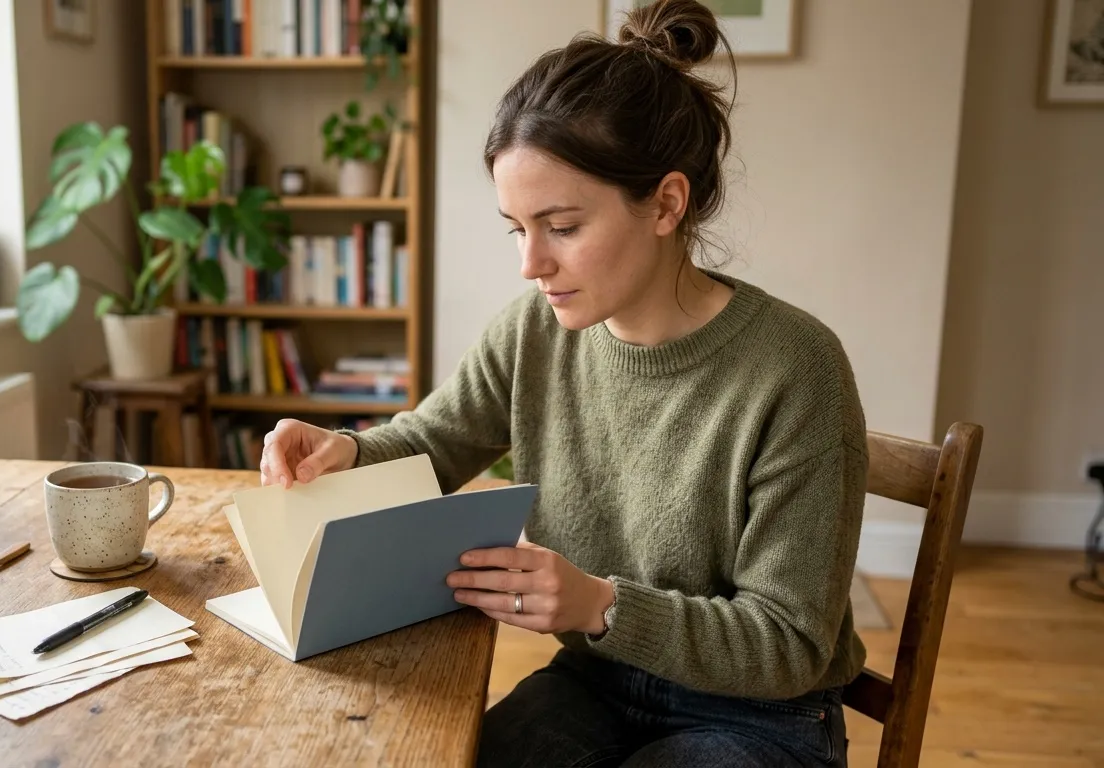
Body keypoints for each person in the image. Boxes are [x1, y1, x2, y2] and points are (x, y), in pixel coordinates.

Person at [258, 1, 866, 765]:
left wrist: (601, 606)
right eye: (518, 228)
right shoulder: (535, 329)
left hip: (758, 717)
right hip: (597, 682)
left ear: (666, 204)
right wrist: (345, 452)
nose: (531, 263)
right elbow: (433, 443)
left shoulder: (796, 368)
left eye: (563, 227)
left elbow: (790, 642)